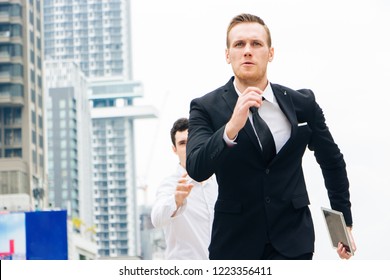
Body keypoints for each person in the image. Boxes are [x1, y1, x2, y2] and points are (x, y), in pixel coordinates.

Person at [186, 13, 356, 260]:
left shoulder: (303, 103)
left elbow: (332, 161)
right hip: (235, 245)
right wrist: (231, 127)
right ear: (227, 55)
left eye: (256, 44)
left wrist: (344, 225)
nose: (247, 51)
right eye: (239, 44)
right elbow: (196, 167)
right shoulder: (205, 107)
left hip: (294, 241)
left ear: (271, 53)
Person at [151, 117, 218, 259]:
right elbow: (156, 219)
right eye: (182, 143)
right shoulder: (170, 185)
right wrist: (175, 200)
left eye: (192, 140)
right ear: (174, 150)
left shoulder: (219, 183)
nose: (189, 147)